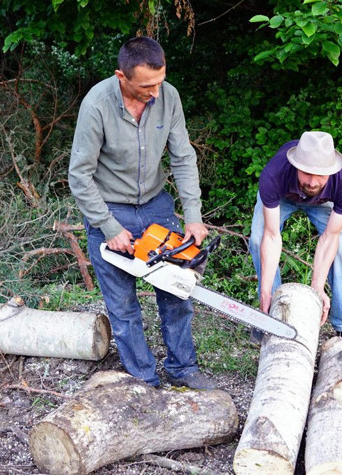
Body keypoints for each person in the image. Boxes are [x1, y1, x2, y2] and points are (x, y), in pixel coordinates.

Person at [68, 36, 216, 389]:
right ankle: (144, 380)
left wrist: (193, 215)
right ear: (121, 76)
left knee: (177, 292)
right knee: (122, 305)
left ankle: (183, 368)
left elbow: (183, 157)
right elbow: (79, 175)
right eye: (147, 86)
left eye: (160, 81)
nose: (156, 91)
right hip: (110, 208)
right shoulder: (97, 105)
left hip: (156, 205)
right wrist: (108, 227)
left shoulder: (169, 97)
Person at [249, 131, 342, 343]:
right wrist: (265, 292)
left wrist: (317, 288)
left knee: (341, 250)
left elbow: (330, 237)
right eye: (306, 173)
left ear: (331, 171)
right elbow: (271, 235)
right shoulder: (274, 174)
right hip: (283, 198)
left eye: (320, 175)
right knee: (258, 239)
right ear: (296, 166)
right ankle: (271, 315)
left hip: (324, 202)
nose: (312, 182)